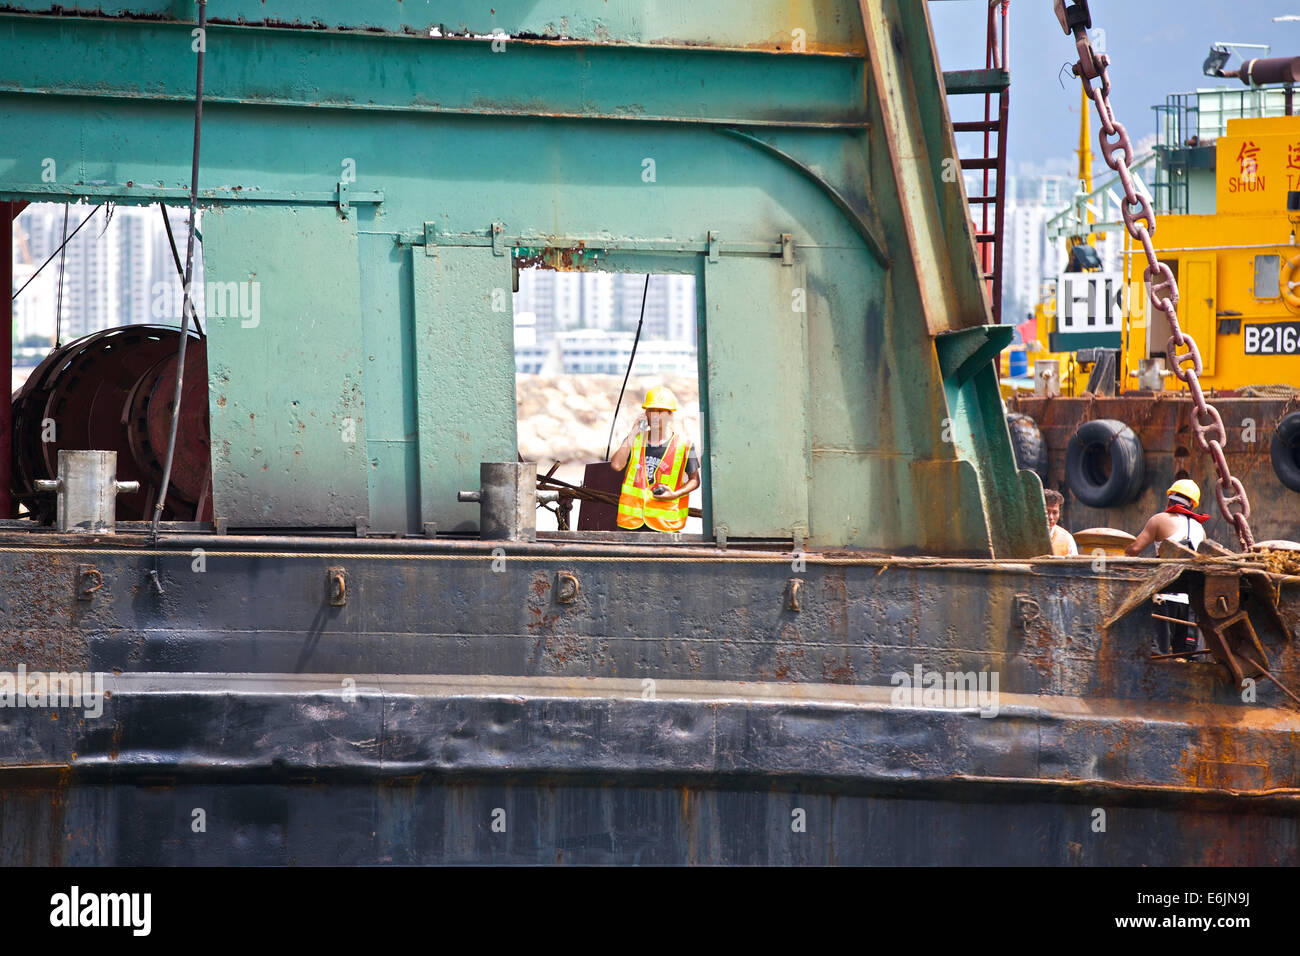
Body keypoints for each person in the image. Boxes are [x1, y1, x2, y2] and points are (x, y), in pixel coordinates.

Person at [1125, 479, 1209, 657]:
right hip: (1189, 602)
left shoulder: (1159, 520)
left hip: (1163, 598)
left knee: (1159, 655)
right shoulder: (1200, 529)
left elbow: (1133, 550)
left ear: (1169, 500)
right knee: (1184, 657)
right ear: (1192, 506)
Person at [610, 386, 700, 532]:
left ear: (670, 414)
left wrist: (675, 494)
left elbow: (695, 480)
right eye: (651, 411)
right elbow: (616, 465)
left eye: (660, 411)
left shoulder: (686, 445)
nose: (655, 416)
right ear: (645, 414)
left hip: (665, 523)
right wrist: (633, 432)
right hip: (631, 523)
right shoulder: (634, 440)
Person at [1044, 489, 1077, 556]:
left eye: (1055, 512)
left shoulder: (1067, 538)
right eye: (1046, 512)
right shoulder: (1024, 535)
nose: (1050, 517)